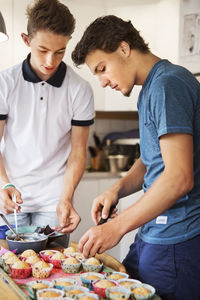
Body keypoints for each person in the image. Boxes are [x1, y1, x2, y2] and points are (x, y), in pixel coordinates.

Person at [71, 15, 200, 300]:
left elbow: (179, 178)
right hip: (152, 232)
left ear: (124, 48)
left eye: (102, 69)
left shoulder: (169, 85)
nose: (103, 82)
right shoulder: (151, 88)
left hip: (178, 239)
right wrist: (116, 189)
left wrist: (116, 227)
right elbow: (151, 159)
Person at [0, 0, 94, 243]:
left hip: (54, 202)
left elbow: (78, 152)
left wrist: (66, 198)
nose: (51, 61)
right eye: (42, 50)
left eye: (60, 51)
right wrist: (4, 184)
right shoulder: (5, 83)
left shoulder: (80, 89)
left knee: (52, 275)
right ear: (26, 39)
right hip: (10, 198)